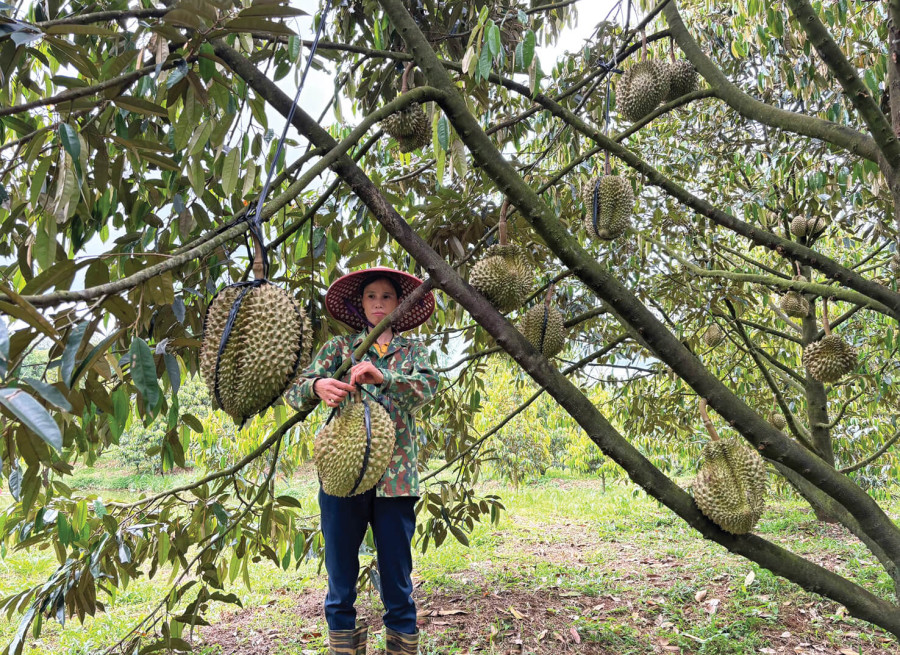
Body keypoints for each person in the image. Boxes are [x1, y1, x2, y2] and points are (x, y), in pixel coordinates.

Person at [284, 267, 439, 655]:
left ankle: (401, 647)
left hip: (397, 480)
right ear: (360, 304)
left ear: (399, 305)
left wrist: (382, 376)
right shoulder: (339, 350)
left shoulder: (413, 352)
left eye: (387, 296)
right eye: (371, 296)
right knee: (340, 578)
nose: (379, 303)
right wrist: (318, 386)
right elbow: (295, 389)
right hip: (342, 479)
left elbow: (427, 388)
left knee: (398, 580)